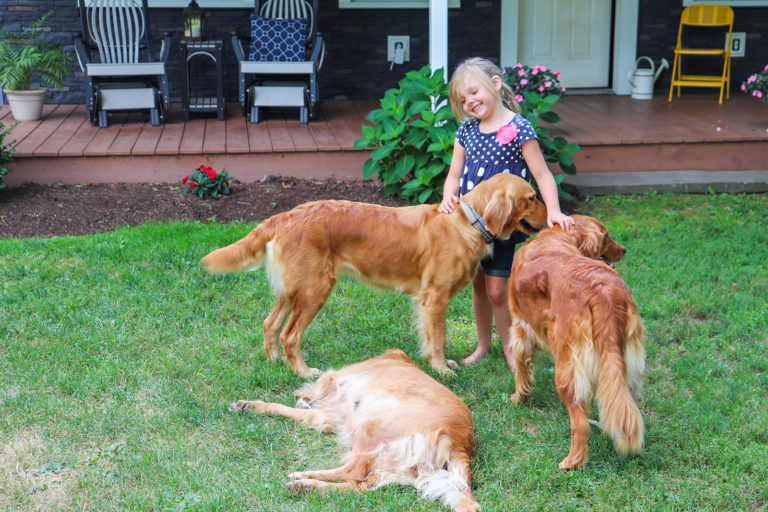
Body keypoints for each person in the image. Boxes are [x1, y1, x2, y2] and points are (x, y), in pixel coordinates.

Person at [438, 57, 574, 368]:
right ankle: (482, 346)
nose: (470, 102)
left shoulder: (518, 128)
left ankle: (511, 349)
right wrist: (449, 195)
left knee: (498, 291)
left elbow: (541, 174)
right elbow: (454, 174)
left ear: (496, 84)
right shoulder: (466, 132)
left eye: (475, 92)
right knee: (477, 285)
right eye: (463, 99)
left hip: (503, 226)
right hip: (472, 227)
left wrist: (552, 210)